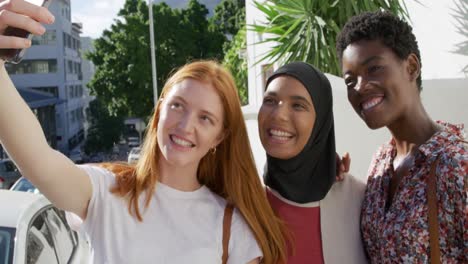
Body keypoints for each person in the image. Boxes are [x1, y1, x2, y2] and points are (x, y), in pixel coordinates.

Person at [0, 1, 288, 263]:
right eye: (178, 105)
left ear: (220, 137)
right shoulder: (105, 192)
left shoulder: (231, 226)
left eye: (205, 118)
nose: (186, 125)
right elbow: (37, 160)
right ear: (159, 110)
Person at [336, 11, 467, 263]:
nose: (360, 87)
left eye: (373, 68)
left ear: (411, 67)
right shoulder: (380, 163)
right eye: (350, 81)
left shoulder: (457, 166)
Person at [258, 62, 367, 263]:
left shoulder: (361, 201)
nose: (278, 115)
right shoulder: (246, 203)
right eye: (270, 100)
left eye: (298, 105)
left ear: (320, 122)